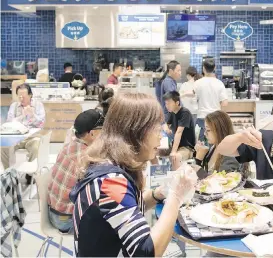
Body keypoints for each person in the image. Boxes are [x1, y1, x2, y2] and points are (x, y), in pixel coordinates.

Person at [69, 93, 197, 257]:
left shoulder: (108, 164)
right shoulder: (110, 183)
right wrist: (175, 196)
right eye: (157, 129)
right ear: (136, 133)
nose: (160, 137)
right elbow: (146, 252)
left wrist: (158, 194)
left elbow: (125, 206)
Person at [47, 109, 105, 233]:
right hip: (65, 219)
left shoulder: (69, 146)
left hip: (55, 212)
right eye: (102, 131)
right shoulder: (86, 157)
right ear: (92, 134)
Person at [1, 83, 45, 170]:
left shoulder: (38, 105)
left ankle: (30, 174)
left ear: (30, 95)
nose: (21, 99)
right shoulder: (14, 106)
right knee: (3, 147)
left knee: (36, 147)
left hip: (32, 137)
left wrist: (33, 115)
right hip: (16, 138)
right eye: (19, 96)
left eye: (23, 97)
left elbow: (41, 124)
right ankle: (9, 173)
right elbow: (9, 123)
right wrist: (22, 116)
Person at [194, 58, 228, 141]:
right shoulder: (219, 83)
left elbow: (193, 100)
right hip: (215, 119)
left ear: (203, 68)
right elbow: (224, 103)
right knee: (215, 146)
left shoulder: (197, 83)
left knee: (201, 147)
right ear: (214, 68)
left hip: (202, 119)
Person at [163, 91, 196, 170]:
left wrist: (174, 151)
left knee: (175, 157)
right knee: (157, 150)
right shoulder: (172, 112)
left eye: (169, 103)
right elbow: (165, 124)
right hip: (176, 145)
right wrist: (166, 128)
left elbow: (179, 132)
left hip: (187, 148)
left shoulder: (185, 113)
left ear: (177, 103)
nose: (167, 106)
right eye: (166, 103)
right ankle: (158, 174)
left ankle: (175, 179)